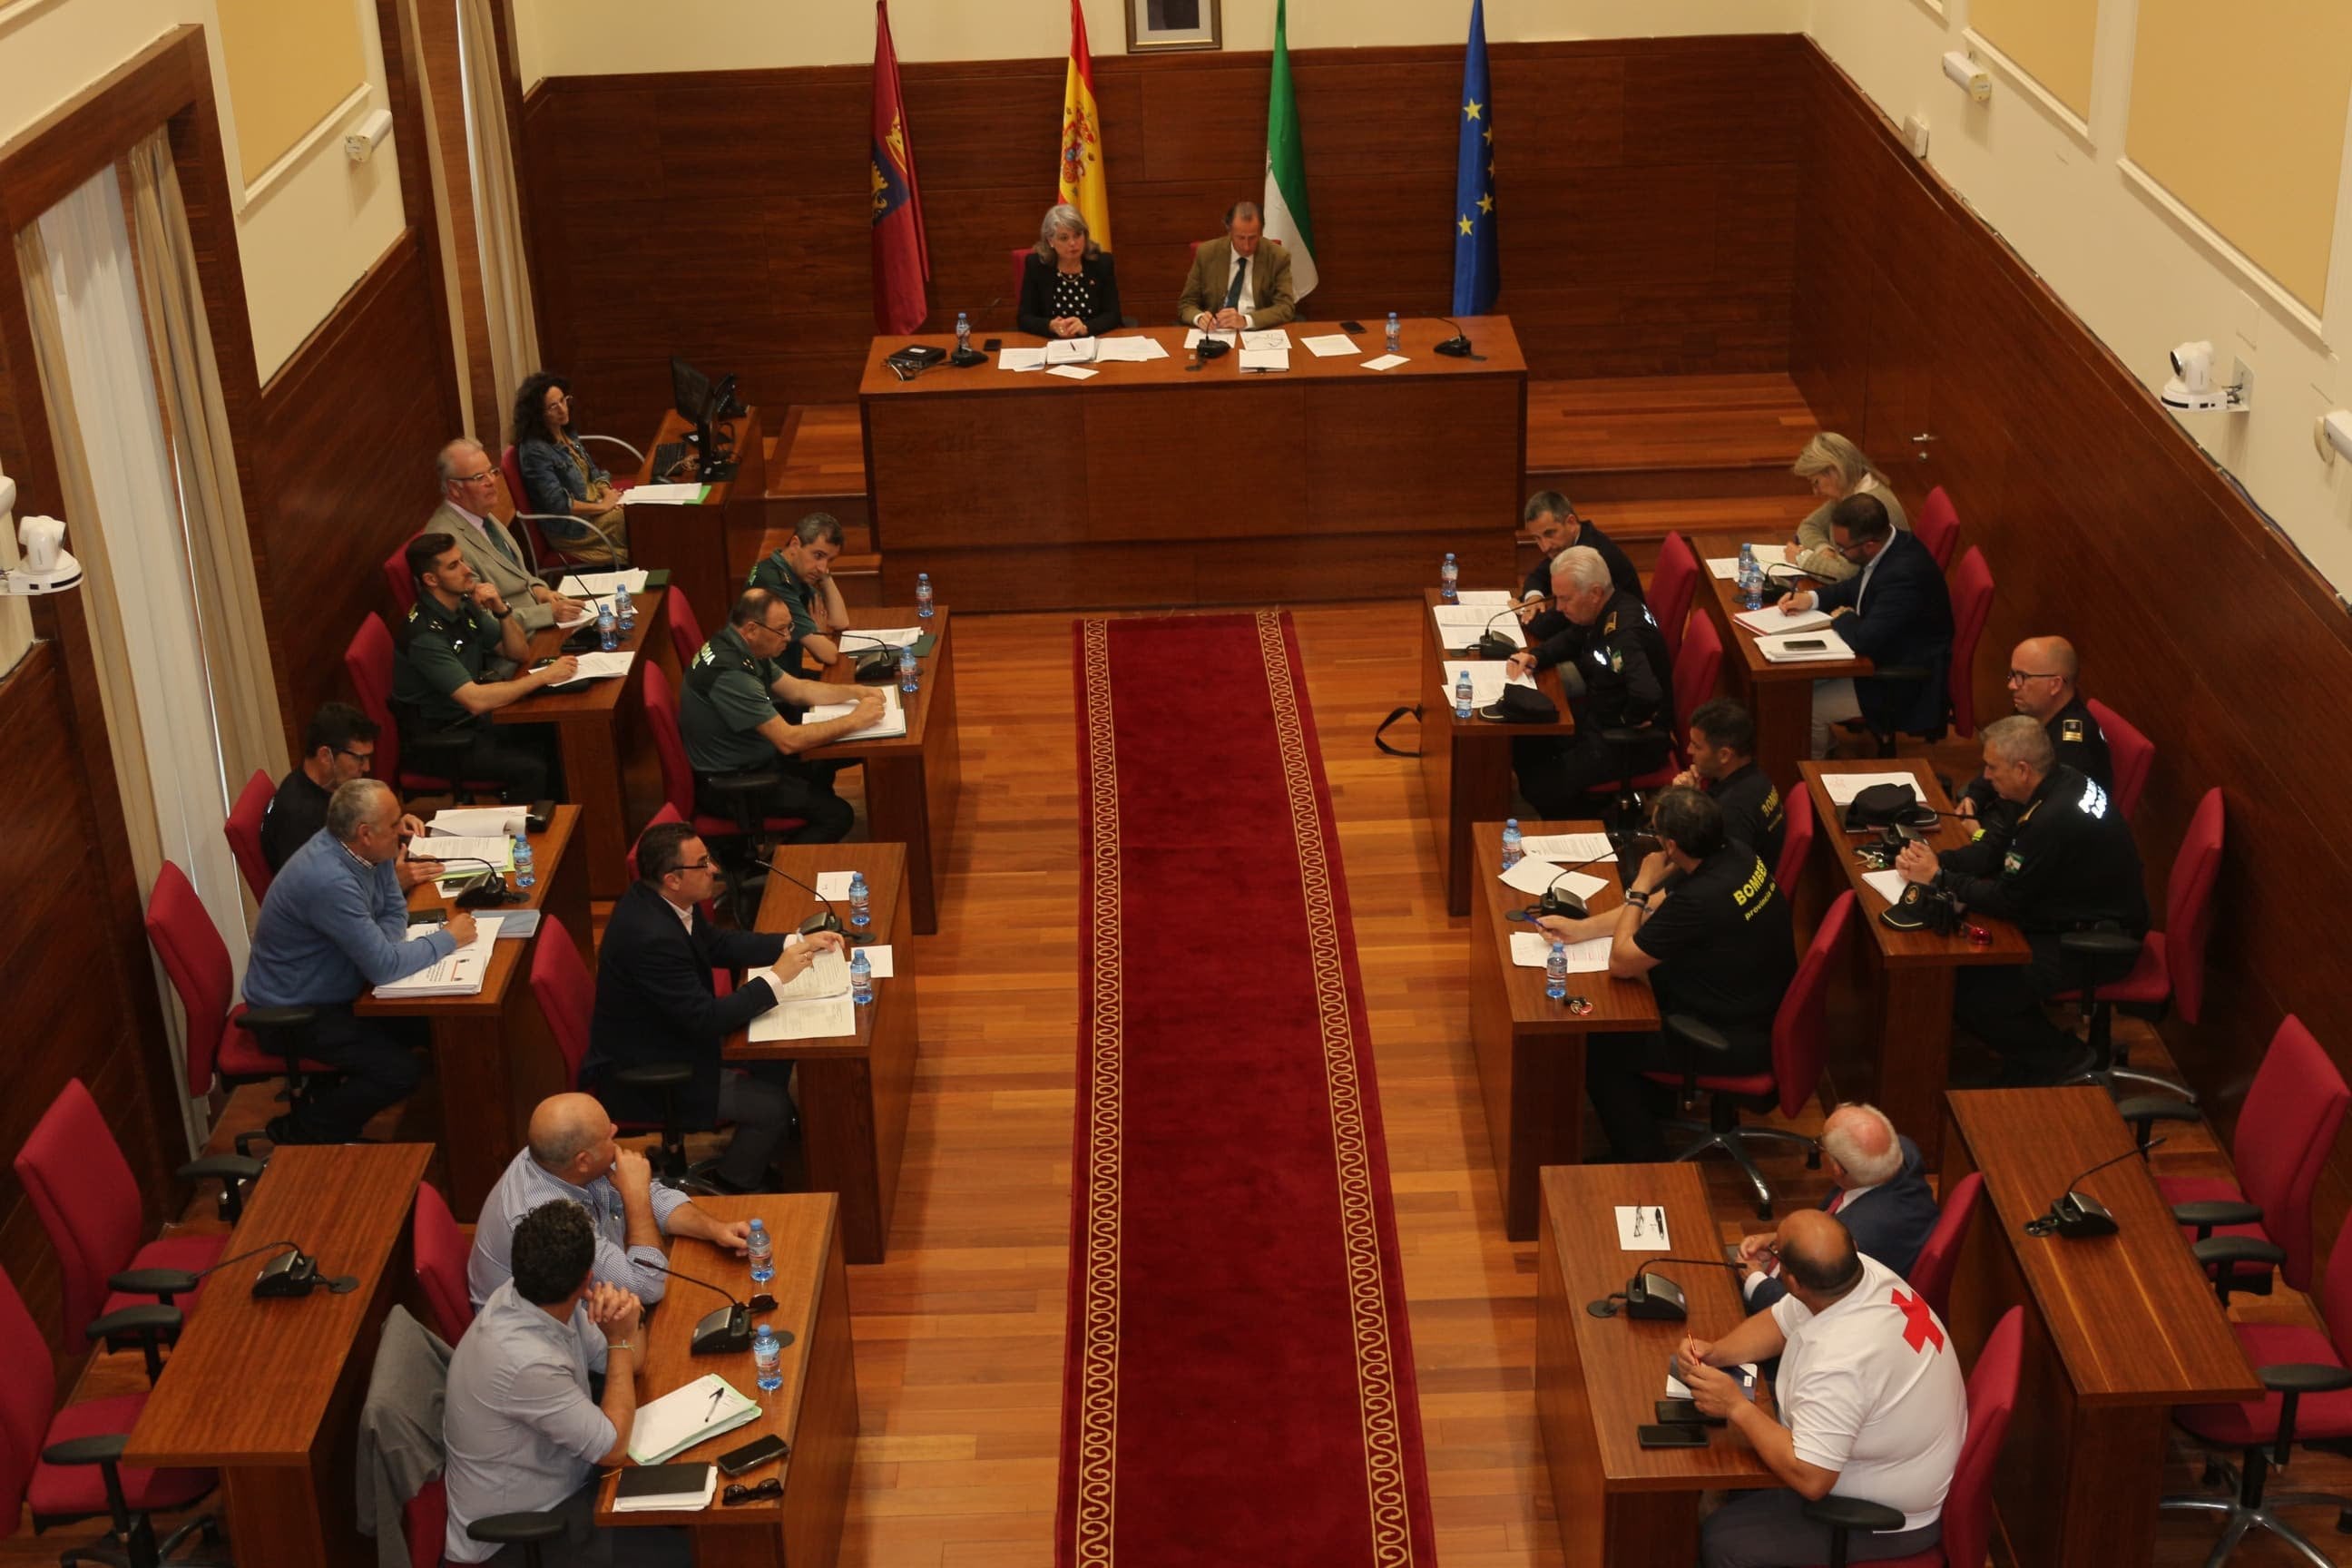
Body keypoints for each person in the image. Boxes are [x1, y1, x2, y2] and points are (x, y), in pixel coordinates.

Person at [1677, 1210, 1966, 1568]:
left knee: (1721, 1540)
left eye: (1777, 1255)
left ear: (1793, 1281)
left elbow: (1812, 1478)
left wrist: (1736, 1406)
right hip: (1887, 1459)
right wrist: (1719, 1352)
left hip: (1881, 1517)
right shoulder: (1860, 1273)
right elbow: (1781, 1321)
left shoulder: (1840, 1364)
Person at [583, 822, 846, 1193]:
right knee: (772, 1108)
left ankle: (766, 1146)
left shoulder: (665, 903)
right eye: (703, 863)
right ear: (673, 878)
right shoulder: (650, 937)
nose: (715, 870)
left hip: (673, 1033)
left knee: (777, 1047)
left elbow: (719, 944)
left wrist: (797, 941)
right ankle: (734, 1180)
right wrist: (777, 977)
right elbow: (705, 1020)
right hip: (654, 1067)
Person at [1536, 787, 1795, 1161]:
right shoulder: (1733, 853)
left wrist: (1640, 884)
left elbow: (1622, 962)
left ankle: (1642, 1157)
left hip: (1725, 1038)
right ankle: (1655, 1108)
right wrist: (1583, 928)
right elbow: (1658, 910)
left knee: (1599, 1045)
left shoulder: (1701, 899)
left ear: (1670, 846)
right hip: (1753, 1004)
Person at [1896, 715, 2147, 1084]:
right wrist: (1934, 859)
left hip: (2098, 942)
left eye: (1992, 768)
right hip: (2069, 908)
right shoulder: (2055, 781)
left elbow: (2008, 899)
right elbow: (1994, 850)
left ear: (2023, 769)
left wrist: (1938, 877)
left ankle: (2070, 1061)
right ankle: (2029, 1056)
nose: (1985, 776)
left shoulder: (2051, 821)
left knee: (1974, 990)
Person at [442, 1200, 687, 1567]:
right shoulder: (524, 1361)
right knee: (689, 1553)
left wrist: (625, 1322)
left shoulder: (535, 1295)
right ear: (588, 1277)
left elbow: (630, 1363)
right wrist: (621, 1338)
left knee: (683, 1509)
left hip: (570, 1486)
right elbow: (613, 1447)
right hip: (519, 1538)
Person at [244, 780, 466, 1145]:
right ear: (365, 833)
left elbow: (394, 909)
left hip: (345, 983)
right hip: (295, 1011)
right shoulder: (328, 880)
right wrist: (449, 939)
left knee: (442, 1023)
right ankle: (305, 1130)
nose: (404, 831)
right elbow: (383, 965)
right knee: (399, 1072)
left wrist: (384, 942)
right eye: (395, 824)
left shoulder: (366, 851)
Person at [467, 1092, 754, 1309]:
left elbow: (654, 1197)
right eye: (608, 1135)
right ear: (583, 1161)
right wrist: (636, 1197)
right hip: (548, 1343)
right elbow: (646, 1286)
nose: (616, 1131)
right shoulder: (548, 1222)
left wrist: (715, 1229)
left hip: (599, 1306)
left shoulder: (563, 1159)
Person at [679, 590, 883, 843]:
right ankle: (782, 873)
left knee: (835, 755)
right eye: (781, 630)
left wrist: (856, 693)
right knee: (837, 816)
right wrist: (855, 720)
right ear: (752, 629)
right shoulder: (731, 675)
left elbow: (798, 690)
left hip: (752, 758)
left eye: (790, 627)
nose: (788, 637)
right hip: (735, 785)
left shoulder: (740, 645)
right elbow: (788, 741)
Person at [393, 532, 573, 802]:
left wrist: (500, 609)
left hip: (476, 722)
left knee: (556, 732)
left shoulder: (463, 605)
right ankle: (525, 839)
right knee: (533, 768)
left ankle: (570, 824)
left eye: (463, 561)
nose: (468, 571)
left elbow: (517, 652)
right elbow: (475, 700)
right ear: (431, 580)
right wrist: (544, 677)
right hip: (445, 740)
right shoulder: (425, 636)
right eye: (454, 566)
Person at [1778, 494, 1952, 757]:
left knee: (1807, 708)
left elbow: (1863, 639)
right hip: (1876, 656)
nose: (1839, 553)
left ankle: (1811, 778)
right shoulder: (1891, 544)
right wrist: (1811, 599)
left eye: (1843, 548)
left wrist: (1842, 617)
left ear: (1869, 545)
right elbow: (1855, 586)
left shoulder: (1903, 576)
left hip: (1895, 678)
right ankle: (1825, 746)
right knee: (1795, 687)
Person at [1507, 546, 1675, 816]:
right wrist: (1536, 656)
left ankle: (1589, 820)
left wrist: (1627, 721)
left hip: (1628, 742)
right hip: (1599, 714)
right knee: (1526, 739)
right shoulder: (1607, 607)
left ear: (1594, 592)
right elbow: (1575, 637)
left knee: (1540, 785)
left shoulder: (1624, 635)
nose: (1559, 608)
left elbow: (1646, 694)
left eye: (1565, 599)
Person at [1734, 1104, 1940, 1314]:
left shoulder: (1852, 1242)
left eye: (1820, 1144)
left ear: (1837, 1170)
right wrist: (1779, 1241)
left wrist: (1754, 1281)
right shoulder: (1902, 1154)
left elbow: (1811, 1314)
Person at [261, 701, 433, 892]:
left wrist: (389, 824)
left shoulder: (330, 788)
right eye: (359, 758)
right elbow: (323, 898)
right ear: (326, 756)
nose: (367, 767)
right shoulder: (298, 817)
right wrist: (394, 883)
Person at [431, 437, 585, 633]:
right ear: (454, 488)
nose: (492, 481)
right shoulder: (447, 543)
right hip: (515, 641)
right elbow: (481, 619)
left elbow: (518, 573)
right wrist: (548, 613)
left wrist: (540, 591)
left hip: (537, 618)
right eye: (480, 477)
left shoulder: (479, 512)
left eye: (492, 472)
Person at [1958, 636, 2112, 824]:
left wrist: (1981, 834)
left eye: (2022, 677)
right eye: (2012, 675)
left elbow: (2041, 813)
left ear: (2054, 684)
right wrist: (1974, 797)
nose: (2012, 685)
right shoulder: (2031, 709)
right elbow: (2002, 758)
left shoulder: (2071, 746)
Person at [512, 372, 629, 567]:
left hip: (592, 508)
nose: (563, 409)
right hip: (573, 528)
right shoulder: (534, 451)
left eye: (563, 400)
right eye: (553, 406)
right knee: (634, 522)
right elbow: (559, 504)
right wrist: (603, 507)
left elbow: (593, 471)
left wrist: (608, 493)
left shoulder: (564, 430)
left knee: (641, 511)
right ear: (538, 414)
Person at [1672, 697, 1787, 873]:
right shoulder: (1754, 775)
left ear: (1724, 755)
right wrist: (1693, 798)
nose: (1689, 750)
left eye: (1696, 746)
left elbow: (1709, 875)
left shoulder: (1732, 812)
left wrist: (1679, 805)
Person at [1515, 490, 1642, 644]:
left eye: (1549, 534)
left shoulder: (1591, 557)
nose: (1544, 547)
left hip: (1620, 642)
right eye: (1537, 538)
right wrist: (1533, 599)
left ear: (1571, 522)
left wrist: (1522, 612)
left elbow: (1550, 626)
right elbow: (1539, 576)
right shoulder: (1570, 543)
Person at [1783, 433, 1910, 584]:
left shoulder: (1865, 508)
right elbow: (1809, 525)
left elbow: (1845, 575)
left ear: (1834, 471)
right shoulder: (1851, 489)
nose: (1815, 492)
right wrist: (1824, 549)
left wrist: (1801, 558)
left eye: (1816, 482)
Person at [745, 512, 854, 671]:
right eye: (818, 555)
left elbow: (840, 621)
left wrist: (825, 577)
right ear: (795, 544)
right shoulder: (775, 583)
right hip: (766, 688)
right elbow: (826, 655)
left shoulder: (792, 573)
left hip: (786, 677)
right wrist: (819, 633)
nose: (822, 567)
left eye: (829, 560)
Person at [1177, 201, 1296, 332]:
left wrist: (1246, 320)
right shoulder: (1207, 253)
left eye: (1252, 238)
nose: (1246, 246)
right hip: (1216, 332)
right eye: (1240, 238)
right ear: (1229, 231)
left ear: (1261, 232)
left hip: (1258, 331)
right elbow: (1186, 303)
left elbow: (1285, 307)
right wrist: (1199, 318)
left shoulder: (1278, 256)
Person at [1019, 203, 1123, 339]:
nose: (1073, 243)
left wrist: (1086, 327)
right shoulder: (1037, 266)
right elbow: (1024, 318)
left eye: (1077, 235)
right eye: (1064, 238)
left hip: (1093, 342)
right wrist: (1050, 325)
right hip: (1051, 345)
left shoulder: (1101, 263)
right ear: (1050, 240)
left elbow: (1113, 315)